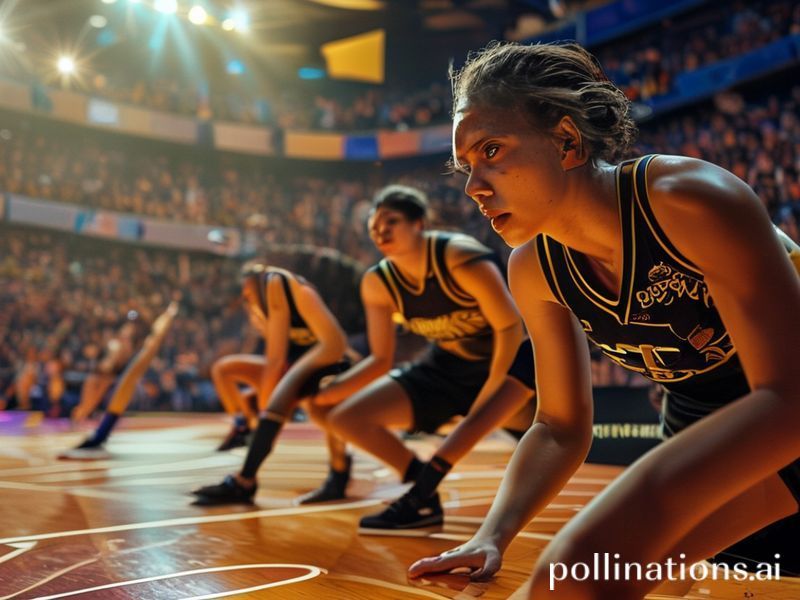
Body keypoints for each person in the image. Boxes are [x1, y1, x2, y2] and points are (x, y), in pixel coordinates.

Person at [408, 41, 800, 598]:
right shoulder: (534, 269)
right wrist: (492, 534)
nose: (474, 187)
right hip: (699, 415)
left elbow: (789, 398)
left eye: (491, 150)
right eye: (466, 166)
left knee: (579, 572)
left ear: (567, 141)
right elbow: (559, 425)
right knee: (616, 582)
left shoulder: (688, 199)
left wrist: (632, 511)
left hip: (783, 409)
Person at [313, 184, 537, 532]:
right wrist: (329, 391)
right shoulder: (378, 282)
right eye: (374, 226)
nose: (381, 232)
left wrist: (491, 390)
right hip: (443, 369)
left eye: (391, 222)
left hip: (504, 364)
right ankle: (421, 491)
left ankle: (427, 493)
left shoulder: (458, 257)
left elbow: (510, 327)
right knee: (345, 418)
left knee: (548, 434)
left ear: (418, 223)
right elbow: (380, 359)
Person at [191, 263, 354, 505]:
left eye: (247, 292)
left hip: (330, 361)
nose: (246, 297)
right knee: (224, 369)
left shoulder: (275, 282)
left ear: (255, 279)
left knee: (320, 410)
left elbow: (275, 360)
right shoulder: (266, 304)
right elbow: (277, 359)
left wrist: (268, 407)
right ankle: (243, 426)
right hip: (298, 364)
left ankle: (337, 473)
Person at [60, 300, 179, 459]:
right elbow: (105, 370)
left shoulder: (143, 352)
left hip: (135, 395)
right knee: (98, 381)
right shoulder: (115, 356)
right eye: (121, 337)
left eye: (125, 338)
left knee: (121, 383)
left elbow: (157, 335)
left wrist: (169, 314)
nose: (121, 340)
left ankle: (98, 433)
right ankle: (94, 428)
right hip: (115, 390)